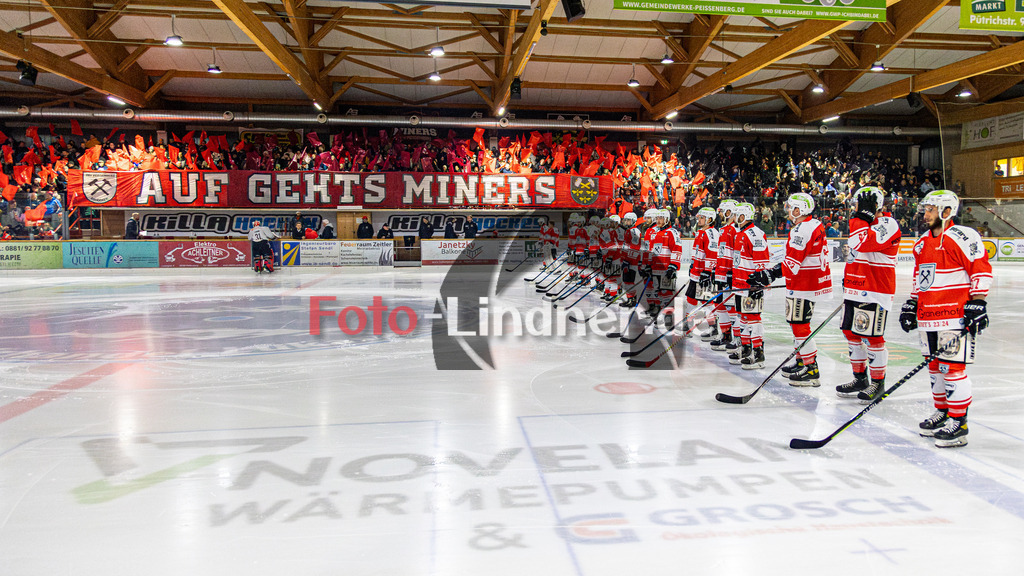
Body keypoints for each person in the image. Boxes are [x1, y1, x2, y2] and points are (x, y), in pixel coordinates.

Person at [900, 190, 992, 447]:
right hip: (928, 315)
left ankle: (959, 422)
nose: (925, 214)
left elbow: (980, 267)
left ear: (947, 211)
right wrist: (912, 303)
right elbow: (920, 277)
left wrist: (978, 301)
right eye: (925, 209)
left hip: (954, 315)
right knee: (934, 368)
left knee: (952, 369)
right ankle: (942, 412)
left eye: (930, 209)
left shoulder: (962, 236)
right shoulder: (921, 243)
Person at [749, 193, 832, 385]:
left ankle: (811, 369)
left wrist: (769, 274)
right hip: (807, 281)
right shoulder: (813, 224)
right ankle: (802, 360)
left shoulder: (802, 229)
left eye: (791, 207)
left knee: (800, 324)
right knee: (797, 323)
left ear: (799, 209)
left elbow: (792, 262)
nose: (787, 210)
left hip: (804, 283)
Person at [835, 186, 901, 403]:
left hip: (874, 290)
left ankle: (878, 383)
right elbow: (854, 254)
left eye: (859, 204)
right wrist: (848, 279)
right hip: (855, 288)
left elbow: (861, 243)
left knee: (873, 337)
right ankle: (860, 378)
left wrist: (862, 217)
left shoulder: (888, 224)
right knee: (850, 333)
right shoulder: (862, 223)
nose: (855, 208)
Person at [729, 202, 769, 369]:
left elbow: (762, 261)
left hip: (750, 285)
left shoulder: (755, 234)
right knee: (742, 317)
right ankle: (746, 349)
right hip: (740, 285)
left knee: (753, 318)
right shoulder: (740, 233)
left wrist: (759, 284)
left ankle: (758, 354)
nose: (734, 217)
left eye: (736, 214)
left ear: (743, 216)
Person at [684, 206, 719, 338]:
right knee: (691, 298)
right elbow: (697, 252)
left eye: (702, 218)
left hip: (704, 274)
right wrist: (693, 265)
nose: (699, 220)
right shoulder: (700, 233)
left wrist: (707, 272)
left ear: (709, 219)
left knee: (707, 301)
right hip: (696, 273)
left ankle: (713, 327)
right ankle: (688, 323)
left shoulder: (712, 233)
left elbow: (712, 254)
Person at [710, 200, 738, 353]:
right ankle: (726, 335)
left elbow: (736, 253)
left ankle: (737, 338)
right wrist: (716, 269)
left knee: (731, 306)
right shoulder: (723, 229)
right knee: (719, 305)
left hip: (729, 274)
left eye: (722, 211)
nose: (719, 214)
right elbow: (721, 253)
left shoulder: (734, 229)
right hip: (721, 273)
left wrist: (731, 271)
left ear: (729, 212)